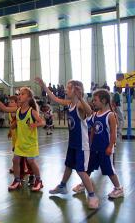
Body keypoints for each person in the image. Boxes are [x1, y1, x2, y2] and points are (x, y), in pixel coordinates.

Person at [35, 77, 99, 209]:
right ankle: (62, 186)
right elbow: (54, 99)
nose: (65, 89)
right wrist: (44, 86)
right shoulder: (69, 103)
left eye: (68, 88)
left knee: (81, 171)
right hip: (72, 144)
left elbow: (90, 112)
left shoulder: (80, 105)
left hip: (82, 145)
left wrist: (81, 97)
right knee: (69, 166)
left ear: (76, 90)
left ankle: (92, 195)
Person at [72, 90, 124, 199]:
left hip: (105, 149)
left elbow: (114, 133)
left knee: (109, 170)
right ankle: (83, 184)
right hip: (94, 148)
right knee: (88, 168)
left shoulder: (110, 115)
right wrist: (90, 144)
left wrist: (110, 146)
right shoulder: (95, 114)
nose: (93, 102)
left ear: (104, 100)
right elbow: (90, 129)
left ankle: (118, 188)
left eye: (95, 100)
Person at [0, 87, 45, 192]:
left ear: (29, 98)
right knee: (15, 160)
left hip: (30, 143)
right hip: (20, 142)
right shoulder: (18, 110)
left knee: (31, 161)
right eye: (19, 94)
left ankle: (39, 180)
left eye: (22, 94)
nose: (19, 96)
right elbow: (4, 109)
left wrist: (34, 124)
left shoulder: (32, 111)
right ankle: (17, 180)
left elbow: (42, 122)